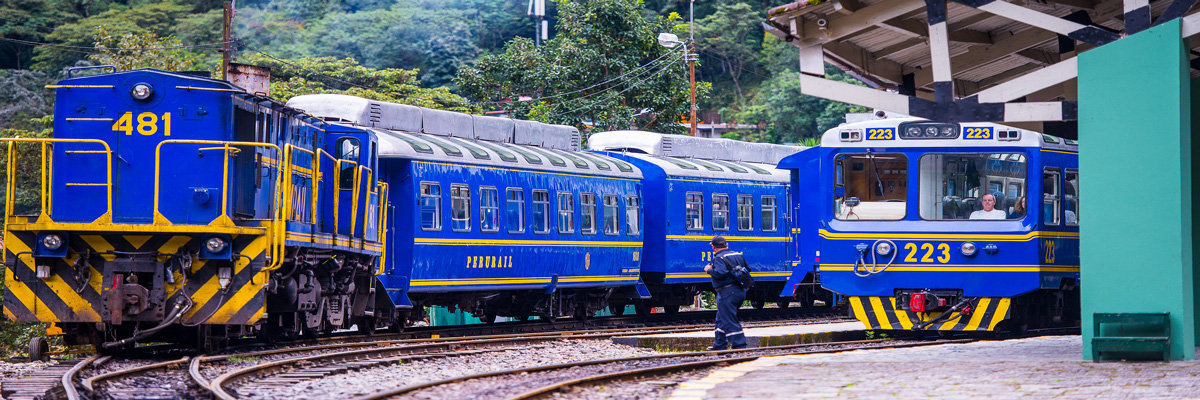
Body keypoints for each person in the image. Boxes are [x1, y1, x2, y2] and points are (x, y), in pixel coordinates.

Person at [704, 236, 748, 350]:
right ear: (726, 245)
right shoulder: (738, 255)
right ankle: (719, 344)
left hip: (727, 292)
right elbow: (748, 269)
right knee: (721, 318)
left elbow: (720, 273)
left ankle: (739, 345)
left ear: (713, 247)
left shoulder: (719, 258)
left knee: (729, 319)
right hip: (740, 291)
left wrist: (709, 269)